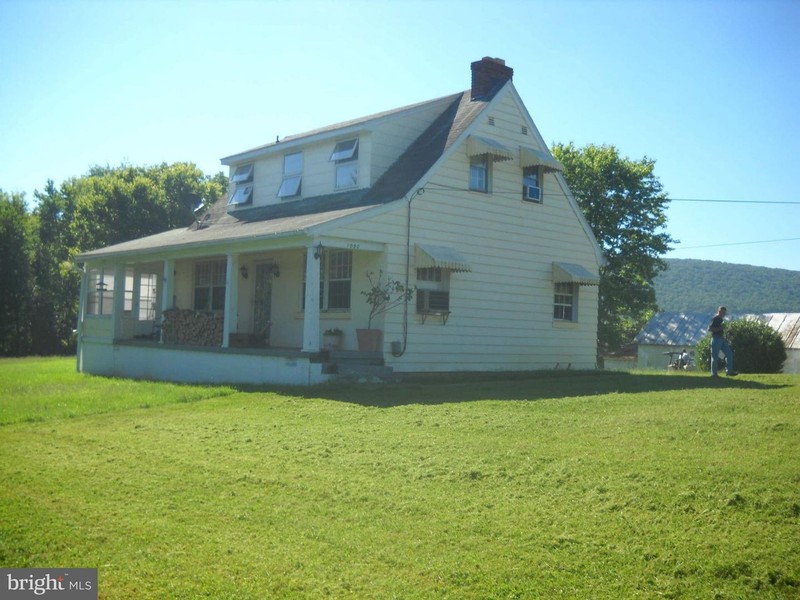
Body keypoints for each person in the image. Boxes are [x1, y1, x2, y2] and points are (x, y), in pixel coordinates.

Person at [708, 306, 737, 377]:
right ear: (719, 311)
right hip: (716, 339)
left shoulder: (722, 320)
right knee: (715, 357)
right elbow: (710, 329)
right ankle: (714, 374)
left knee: (729, 354)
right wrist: (720, 328)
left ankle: (729, 371)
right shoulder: (715, 319)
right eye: (722, 312)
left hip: (721, 339)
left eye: (724, 312)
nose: (723, 314)